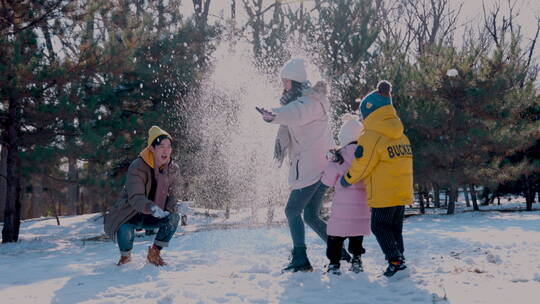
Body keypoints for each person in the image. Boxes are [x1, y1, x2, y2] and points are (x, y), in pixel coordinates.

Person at [257, 58, 345, 272]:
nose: (283, 86)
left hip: (310, 167)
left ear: (295, 82)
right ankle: (341, 253)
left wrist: (274, 114)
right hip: (319, 165)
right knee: (311, 215)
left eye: (286, 82)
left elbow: (295, 113)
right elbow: (293, 115)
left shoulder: (309, 103)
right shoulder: (309, 101)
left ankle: (300, 258)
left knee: (292, 210)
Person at [340, 80, 413, 278]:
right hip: (401, 191)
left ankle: (396, 263)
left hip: (384, 192)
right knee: (395, 228)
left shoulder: (372, 136)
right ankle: (400, 259)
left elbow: (363, 164)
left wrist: (347, 178)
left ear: (370, 113)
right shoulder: (401, 135)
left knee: (379, 226)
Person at [104, 126, 181, 266]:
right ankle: (125, 257)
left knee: (174, 218)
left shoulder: (173, 169)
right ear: (152, 148)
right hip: (132, 213)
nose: (166, 150)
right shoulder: (138, 166)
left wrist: (173, 208)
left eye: (169, 147)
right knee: (124, 227)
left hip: (157, 214)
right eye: (162, 146)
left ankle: (154, 253)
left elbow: (174, 195)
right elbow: (135, 197)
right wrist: (151, 208)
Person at [321, 114, 371, 275]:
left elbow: (328, 181)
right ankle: (357, 259)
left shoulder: (339, 156)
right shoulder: (367, 155)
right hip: (362, 206)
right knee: (357, 233)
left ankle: (334, 264)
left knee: (335, 235)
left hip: (342, 207)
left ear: (343, 136)